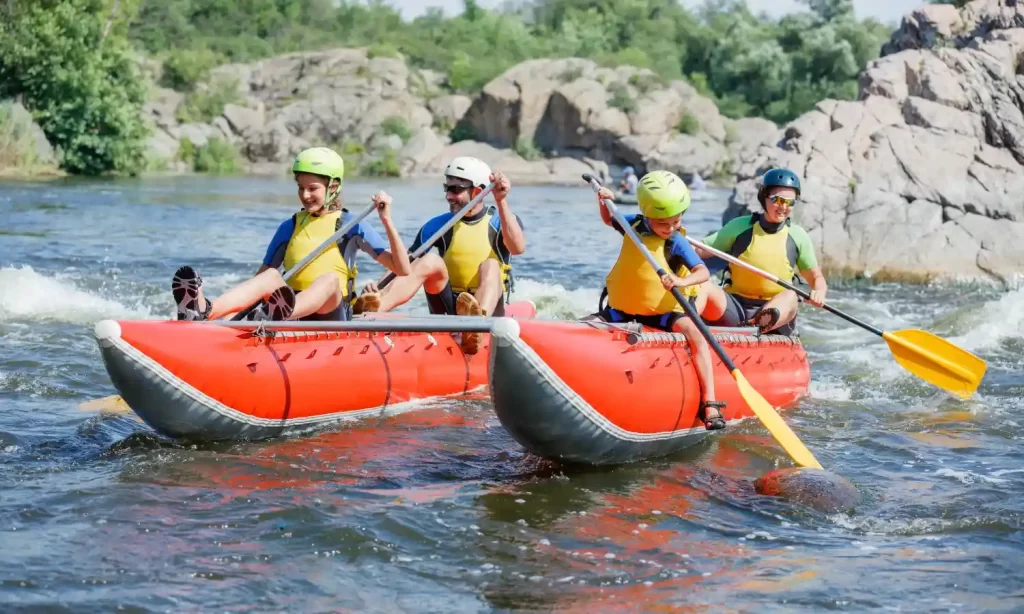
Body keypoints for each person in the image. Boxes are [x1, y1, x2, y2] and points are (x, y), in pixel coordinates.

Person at [171, 147, 412, 322]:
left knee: (329, 281)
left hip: (332, 316)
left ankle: (280, 314)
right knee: (271, 277)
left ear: (334, 187)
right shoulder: (290, 226)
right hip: (289, 311)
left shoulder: (351, 225)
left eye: (312, 188)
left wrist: (386, 220)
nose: (305, 195)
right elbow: (260, 280)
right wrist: (231, 321)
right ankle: (203, 310)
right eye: (300, 187)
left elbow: (402, 269)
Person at [592, 170, 726, 431]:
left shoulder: (676, 241)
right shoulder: (632, 225)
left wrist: (679, 282)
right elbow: (611, 219)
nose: (671, 227)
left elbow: (702, 272)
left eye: (676, 221)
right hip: (620, 311)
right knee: (584, 325)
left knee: (697, 335)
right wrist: (604, 201)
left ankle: (709, 401)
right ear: (647, 215)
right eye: (664, 223)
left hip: (664, 314)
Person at [352, 156, 526, 355]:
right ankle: (370, 313)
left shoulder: (501, 220)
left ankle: (475, 328)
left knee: (490, 265)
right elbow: (405, 264)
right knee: (430, 261)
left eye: (456, 190)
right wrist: (379, 288)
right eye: (447, 188)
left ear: (478, 191)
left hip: (488, 313)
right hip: (447, 308)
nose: (449, 196)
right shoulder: (437, 226)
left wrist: (501, 200)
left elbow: (517, 248)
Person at [695, 168, 826, 336]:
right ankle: (690, 326)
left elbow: (816, 278)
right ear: (764, 197)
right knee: (703, 285)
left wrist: (819, 292)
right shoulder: (740, 226)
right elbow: (701, 250)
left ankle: (757, 327)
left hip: (774, 311)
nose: (783, 207)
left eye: (790, 202)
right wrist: (674, 243)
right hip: (735, 307)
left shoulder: (798, 236)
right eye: (777, 200)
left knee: (791, 296)